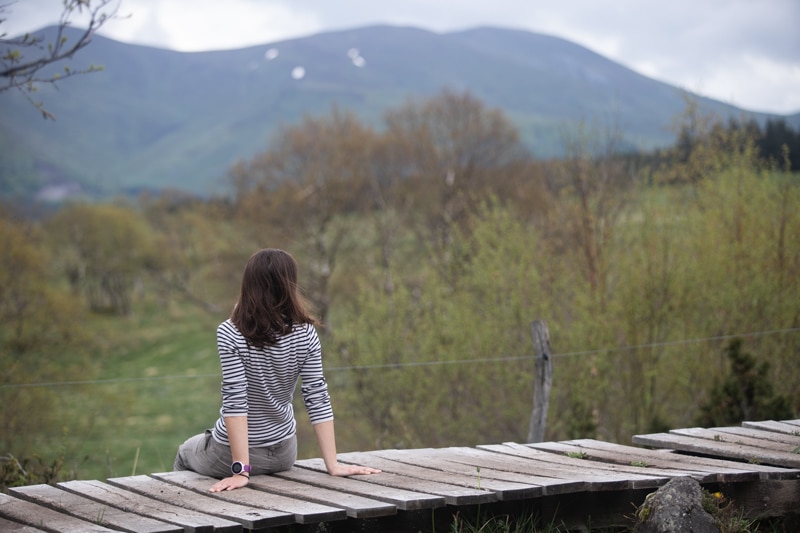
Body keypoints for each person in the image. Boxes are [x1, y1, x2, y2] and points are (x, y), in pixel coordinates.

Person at [174, 248, 380, 492]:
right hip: (284, 453)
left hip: (230, 455)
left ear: (248, 284)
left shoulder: (231, 333)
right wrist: (333, 464)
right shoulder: (306, 332)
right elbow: (317, 396)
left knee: (185, 451)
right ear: (289, 284)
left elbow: (235, 402)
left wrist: (241, 471)